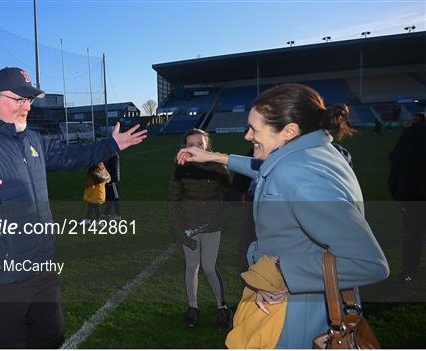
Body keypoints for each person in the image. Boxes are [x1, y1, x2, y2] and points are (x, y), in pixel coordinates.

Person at [0, 67, 147, 348]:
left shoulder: (31, 138)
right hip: (0, 276)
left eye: (30, 100)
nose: (27, 107)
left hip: (41, 264)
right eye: (19, 99)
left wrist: (111, 144)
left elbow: (71, 156)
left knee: (52, 335)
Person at [176, 83, 389, 348]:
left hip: (295, 317)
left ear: (289, 131)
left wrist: (282, 274)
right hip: (301, 307)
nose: (247, 136)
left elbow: (369, 262)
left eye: (254, 129)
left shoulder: (300, 176)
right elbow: (268, 169)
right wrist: (213, 156)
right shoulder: (308, 153)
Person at [169, 128, 232, 330]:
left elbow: (229, 198)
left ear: (207, 146)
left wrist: (219, 219)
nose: (195, 148)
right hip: (190, 226)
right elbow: (174, 201)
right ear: (184, 148)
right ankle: (193, 307)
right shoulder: (180, 168)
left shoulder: (218, 167)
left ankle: (222, 307)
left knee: (209, 266)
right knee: (191, 267)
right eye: (190, 145)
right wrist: (181, 230)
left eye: (200, 144)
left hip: (212, 225)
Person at [388, 112, 426, 283]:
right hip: (413, 193)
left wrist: (398, 192)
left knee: (413, 235)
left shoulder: (410, 135)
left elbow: (395, 161)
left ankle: (409, 272)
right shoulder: (411, 135)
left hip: (411, 195)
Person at [102, 154, 122, 220]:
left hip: (113, 180)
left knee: (115, 197)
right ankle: (106, 213)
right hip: (108, 179)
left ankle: (118, 214)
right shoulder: (110, 154)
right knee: (109, 196)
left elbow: (112, 168)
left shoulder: (113, 155)